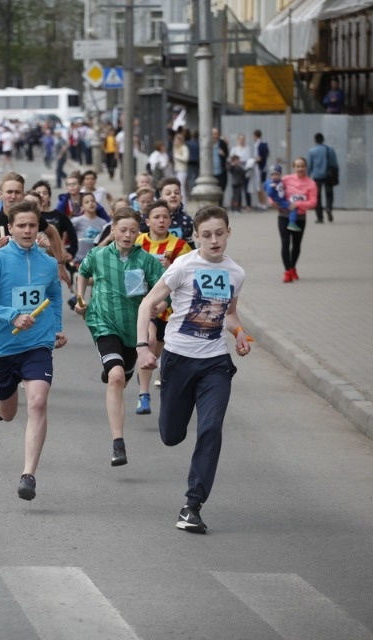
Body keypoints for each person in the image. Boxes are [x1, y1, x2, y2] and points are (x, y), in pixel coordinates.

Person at [136, 205, 252, 533]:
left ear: (228, 231)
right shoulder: (183, 267)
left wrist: (240, 334)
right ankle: (171, 418)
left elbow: (228, 314)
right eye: (206, 235)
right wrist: (143, 346)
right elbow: (148, 304)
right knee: (172, 436)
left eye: (219, 233)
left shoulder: (236, 273)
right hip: (178, 359)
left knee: (211, 428)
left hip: (215, 362)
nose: (214, 240)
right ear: (196, 237)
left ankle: (192, 504)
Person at [0, 198, 67, 501]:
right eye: (21, 226)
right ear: (10, 228)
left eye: (32, 225)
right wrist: (11, 315)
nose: (27, 231)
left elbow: (53, 295)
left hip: (37, 344)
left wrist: (55, 329)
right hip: (3, 347)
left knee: (38, 402)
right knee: (9, 412)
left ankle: (29, 475)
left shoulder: (48, 262)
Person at [75, 206, 166, 466]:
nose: (127, 235)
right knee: (115, 378)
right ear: (113, 229)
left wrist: (160, 305)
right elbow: (83, 272)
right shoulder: (99, 254)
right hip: (103, 321)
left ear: (140, 233)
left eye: (133, 231)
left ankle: (116, 368)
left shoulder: (146, 260)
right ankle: (118, 443)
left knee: (121, 377)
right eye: (122, 229)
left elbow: (163, 289)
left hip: (133, 328)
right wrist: (81, 299)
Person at [132, 199, 192, 414]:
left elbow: (185, 283)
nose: (162, 220)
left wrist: (165, 300)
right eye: (157, 217)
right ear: (147, 221)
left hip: (168, 306)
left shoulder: (180, 247)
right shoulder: (137, 242)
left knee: (158, 349)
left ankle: (151, 368)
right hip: (143, 303)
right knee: (148, 341)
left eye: (166, 217)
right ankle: (143, 394)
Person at [277, 158, 317, 282]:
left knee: (296, 245)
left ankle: (293, 266)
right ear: (294, 167)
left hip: (300, 217)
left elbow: (313, 202)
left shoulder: (311, 184)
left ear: (306, 167)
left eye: (302, 166)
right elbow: (274, 192)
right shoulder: (286, 180)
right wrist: (274, 202)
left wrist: (298, 204)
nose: (300, 169)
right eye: (297, 166)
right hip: (284, 216)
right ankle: (287, 271)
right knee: (285, 243)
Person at [308, 133, 338, 223]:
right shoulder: (330, 150)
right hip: (328, 175)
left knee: (317, 196)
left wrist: (307, 176)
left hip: (317, 176)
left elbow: (310, 165)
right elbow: (334, 164)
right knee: (329, 194)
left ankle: (320, 217)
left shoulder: (312, 151)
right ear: (323, 140)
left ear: (315, 140)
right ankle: (328, 208)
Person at [264, 165, 300, 232]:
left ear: (280, 174)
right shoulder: (271, 183)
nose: (275, 176)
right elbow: (269, 194)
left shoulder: (281, 181)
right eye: (272, 174)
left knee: (292, 206)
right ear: (270, 175)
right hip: (279, 201)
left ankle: (291, 222)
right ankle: (292, 223)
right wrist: (272, 188)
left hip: (282, 199)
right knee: (293, 207)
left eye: (277, 174)